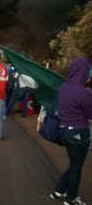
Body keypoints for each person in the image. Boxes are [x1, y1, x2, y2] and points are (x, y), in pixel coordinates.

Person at [50, 57, 92, 205]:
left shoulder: (63, 87)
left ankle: (59, 191)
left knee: (74, 164)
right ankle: (71, 198)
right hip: (79, 133)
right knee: (76, 166)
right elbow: (90, 114)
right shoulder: (84, 92)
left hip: (64, 131)